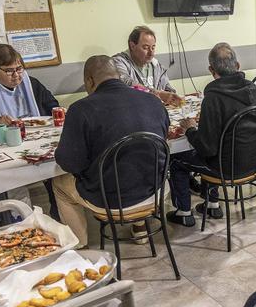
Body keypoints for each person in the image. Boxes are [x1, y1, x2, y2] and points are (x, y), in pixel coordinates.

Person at [52, 56, 169, 248]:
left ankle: (80, 247)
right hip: (155, 190)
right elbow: (162, 140)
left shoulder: (80, 110)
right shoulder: (153, 101)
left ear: (89, 81)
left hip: (111, 198)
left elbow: (70, 163)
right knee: (135, 163)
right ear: (119, 76)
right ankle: (140, 229)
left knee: (59, 184)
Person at [166, 43, 256, 227]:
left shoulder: (213, 98)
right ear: (237, 66)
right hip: (253, 164)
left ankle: (184, 212)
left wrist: (190, 129)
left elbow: (206, 147)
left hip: (225, 169)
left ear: (211, 70)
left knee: (175, 160)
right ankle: (212, 204)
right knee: (220, 148)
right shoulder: (253, 90)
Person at [112, 26, 181, 106]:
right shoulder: (119, 62)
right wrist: (158, 93)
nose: (151, 53)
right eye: (146, 48)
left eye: (153, 47)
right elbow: (126, 83)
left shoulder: (156, 65)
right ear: (132, 46)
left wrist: (172, 96)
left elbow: (167, 88)